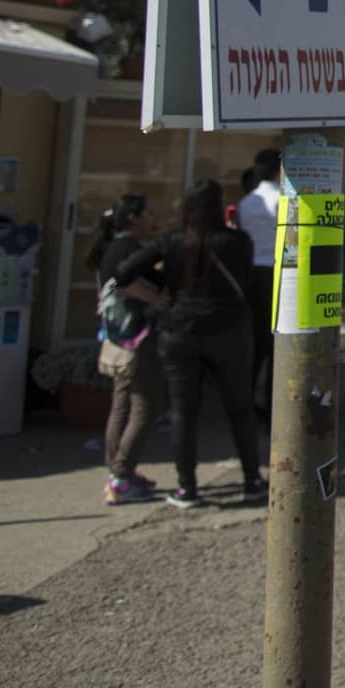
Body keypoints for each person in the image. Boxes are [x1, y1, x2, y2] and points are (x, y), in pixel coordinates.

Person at [114, 180, 265, 510]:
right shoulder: (239, 241)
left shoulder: (173, 241)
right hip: (230, 330)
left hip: (180, 329)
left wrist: (161, 288)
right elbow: (247, 279)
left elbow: (123, 271)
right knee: (240, 407)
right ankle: (253, 481)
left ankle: (187, 488)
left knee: (184, 410)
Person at [91, 195, 167, 504]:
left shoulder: (113, 246)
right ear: (133, 218)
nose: (153, 218)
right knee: (145, 404)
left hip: (117, 337)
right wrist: (156, 299)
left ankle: (118, 472)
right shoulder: (131, 249)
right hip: (139, 337)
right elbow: (126, 282)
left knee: (122, 403)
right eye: (149, 212)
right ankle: (121, 477)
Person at [234, 149, 281, 417]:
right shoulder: (281, 199)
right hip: (275, 272)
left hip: (252, 274)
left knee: (256, 342)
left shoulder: (246, 202)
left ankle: (248, 400)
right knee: (276, 342)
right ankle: (274, 404)